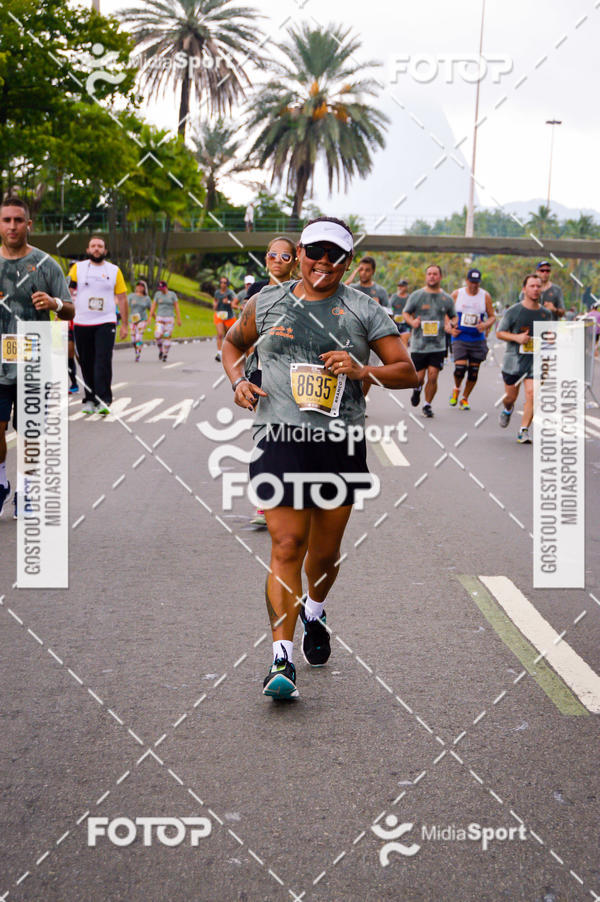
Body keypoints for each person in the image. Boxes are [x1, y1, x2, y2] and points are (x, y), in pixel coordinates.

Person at [222, 216, 418, 700]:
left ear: (347, 263)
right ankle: (280, 658)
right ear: (301, 254)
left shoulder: (363, 310)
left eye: (335, 256)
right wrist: (239, 381)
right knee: (287, 546)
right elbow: (231, 344)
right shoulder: (266, 302)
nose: (323, 263)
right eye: (315, 252)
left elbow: (407, 373)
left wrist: (362, 369)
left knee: (324, 555)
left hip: (339, 444)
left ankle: (314, 608)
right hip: (279, 436)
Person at [0, 196, 74, 517]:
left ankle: (27, 491)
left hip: (34, 363)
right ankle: (1, 483)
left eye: (19, 220)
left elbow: (71, 308)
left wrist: (55, 304)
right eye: (7, 220)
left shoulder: (46, 265)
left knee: (30, 433)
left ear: (29, 224)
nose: (13, 226)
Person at [245, 236, 298, 528]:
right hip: (262, 373)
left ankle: (291, 496)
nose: (278, 260)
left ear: (295, 261)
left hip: (296, 374)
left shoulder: (303, 292)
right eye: (273, 255)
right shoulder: (256, 293)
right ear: (266, 258)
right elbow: (244, 334)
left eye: (285, 256)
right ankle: (265, 502)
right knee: (267, 436)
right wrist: (243, 378)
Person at [69, 236, 128, 415]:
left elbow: (122, 298)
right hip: (81, 321)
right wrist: (62, 316)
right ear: (88, 250)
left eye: (100, 246)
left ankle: (104, 399)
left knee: (102, 360)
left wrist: (125, 324)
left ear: (105, 250)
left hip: (106, 321)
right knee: (86, 362)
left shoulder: (114, 270)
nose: (96, 249)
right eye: (93, 246)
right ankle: (89, 399)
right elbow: (68, 292)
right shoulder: (77, 269)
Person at [497, 273, 552, 443]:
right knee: (510, 397)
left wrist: (550, 338)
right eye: (532, 286)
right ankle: (507, 409)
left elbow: (547, 335)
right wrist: (517, 338)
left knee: (532, 394)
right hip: (514, 362)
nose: (536, 289)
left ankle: (523, 430)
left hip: (535, 362)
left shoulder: (546, 314)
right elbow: (499, 333)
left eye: (538, 286)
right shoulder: (514, 311)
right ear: (524, 289)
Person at [402, 264, 457, 418]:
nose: (432, 276)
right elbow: (405, 312)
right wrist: (412, 322)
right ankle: (417, 389)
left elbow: (454, 316)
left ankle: (427, 405)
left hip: (438, 344)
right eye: (429, 274)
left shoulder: (446, 298)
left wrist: (450, 324)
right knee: (419, 378)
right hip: (419, 344)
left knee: (433, 375)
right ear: (426, 276)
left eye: (435, 274)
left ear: (440, 277)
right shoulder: (417, 295)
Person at [449, 268, 496, 410]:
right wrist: (451, 325)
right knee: (460, 369)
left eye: (477, 283)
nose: (474, 285)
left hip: (477, 338)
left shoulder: (485, 296)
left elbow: (492, 316)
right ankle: (456, 388)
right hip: (460, 337)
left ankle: (465, 398)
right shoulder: (457, 294)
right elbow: (446, 312)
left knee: (473, 373)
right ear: (467, 281)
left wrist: (485, 324)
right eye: (471, 282)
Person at [150, 280, 181, 363]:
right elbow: (153, 305)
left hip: (169, 318)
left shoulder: (172, 295)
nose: (161, 290)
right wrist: (150, 316)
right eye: (160, 288)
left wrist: (178, 318)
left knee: (167, 336)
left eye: (162, 288)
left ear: (166, 287)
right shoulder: (157, 295)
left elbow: (176, 306)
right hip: (159, 318)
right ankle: (160, 349)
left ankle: (165, 354)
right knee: (157, 335)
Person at [212, 276, 237, 362]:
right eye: (221, 282)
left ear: (227, 284)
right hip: (219, 314)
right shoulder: (217, 293)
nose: (223, 284)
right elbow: (215, 301)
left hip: (229, 316)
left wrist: (228, 302)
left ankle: (228, 352)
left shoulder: (230, 293)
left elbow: (235, 302)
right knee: (219, 334)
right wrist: (215, 304)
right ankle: (219, 353)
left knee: (228, 336)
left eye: (224, 283)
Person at [128, 279, 152, 362]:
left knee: (138, 338)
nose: (139, 287)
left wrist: (151, 318)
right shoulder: (131, 296)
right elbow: (125, 306)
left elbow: (151, 309)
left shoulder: (147, 298)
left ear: (144, 288)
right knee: (133, 339)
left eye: (141, 286)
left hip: (142, 319)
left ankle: (138, 353)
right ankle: (136, 349)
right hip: (132, 320)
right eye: (138, 286)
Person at [389, 279, 411, 347]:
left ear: (406, 287)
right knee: (396, 343)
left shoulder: (409, 298)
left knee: (404, 340)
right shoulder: (394, 297)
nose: (400, 288)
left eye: (402, 286)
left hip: (406, 323)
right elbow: (389, 309)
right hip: (395, 323)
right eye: (399, 286)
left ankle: (405, 356)